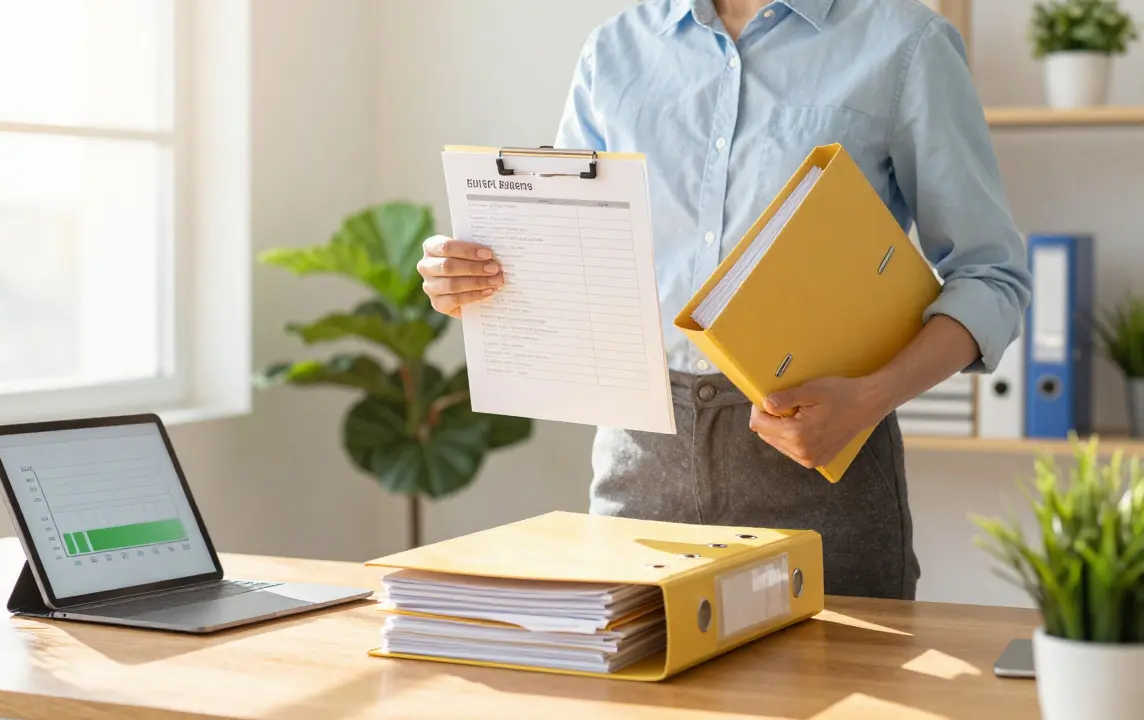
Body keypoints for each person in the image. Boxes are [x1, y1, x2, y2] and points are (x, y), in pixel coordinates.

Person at [416, 0, 1032, 600]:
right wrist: (474, 277)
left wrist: (869, 400)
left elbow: (991, 276)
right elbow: (572, 256)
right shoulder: (614, 50)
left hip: (818, 459)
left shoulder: (906, 42)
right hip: (640, 464)